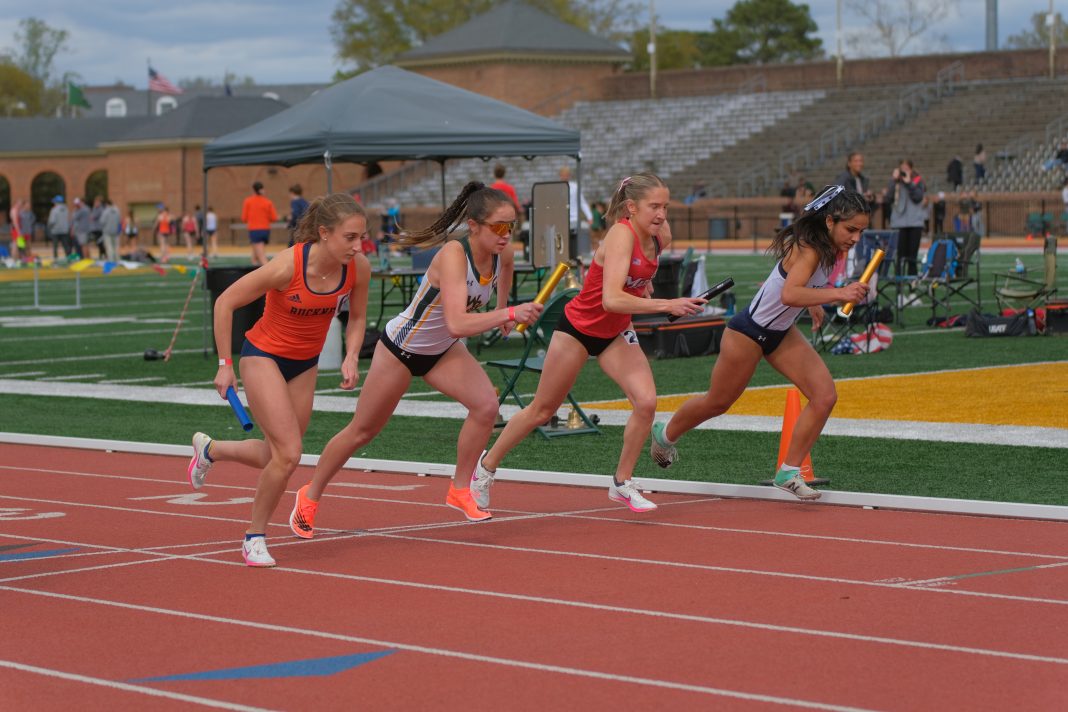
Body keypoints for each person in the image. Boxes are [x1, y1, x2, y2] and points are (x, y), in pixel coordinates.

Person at [288, 182, 544, 535]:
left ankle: (459, 489)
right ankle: (309, 495)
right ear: (473, 226)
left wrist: (501, 305)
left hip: (441, 351)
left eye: (511, 226)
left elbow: (505, 275)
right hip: (402, 350)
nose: (506, 235)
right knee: (362, 431)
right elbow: (456, 323)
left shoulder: (505, 253)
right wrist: (509, 314)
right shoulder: (454, 256)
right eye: (498, 227)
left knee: (486, 405)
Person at [470, 173, 705, 513]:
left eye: (665, 206)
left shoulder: (660, 235)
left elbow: (638, 277)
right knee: (542, 410)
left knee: (646, 401)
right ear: (631, 207)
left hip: (614, 333)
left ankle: (622, 483)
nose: (661, 214)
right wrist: (668, 304)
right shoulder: (621, 236)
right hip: (578, 329)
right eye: (654, 206)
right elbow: (610, 299)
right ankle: (485, 468)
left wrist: (646, 286)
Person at [185, 193, 372, 567]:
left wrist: (352, 355)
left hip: (305, 364)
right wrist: (225, 364)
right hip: (263, 356)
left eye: (361, 237)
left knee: (276, 455)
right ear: (324, 233)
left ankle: (211, 450)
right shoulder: (287, 266)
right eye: (350, 237)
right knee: (289, 454)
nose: (358, 245)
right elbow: (225, 302)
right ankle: (254, 537)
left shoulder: (357, 268)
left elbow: (356, 318)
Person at [650, 185, 871, 500]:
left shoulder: (830, 249)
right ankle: (665, 433)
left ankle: (789, 472)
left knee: (824, 396)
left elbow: (798, 286)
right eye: (851, 230)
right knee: (718, 402)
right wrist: (838, 293)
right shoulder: (810, 248)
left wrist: (815, 301)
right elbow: (789, 293)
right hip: (748, 333)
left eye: (861, 231)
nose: (856, 238)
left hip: (780, 334)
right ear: (829, 222)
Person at [887, 160, 926, 276]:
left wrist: (909, 183)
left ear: (912, 169)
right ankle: (900, 286)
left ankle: (912, 284)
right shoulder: (895, 182)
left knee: (912, 257)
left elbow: (918, 197)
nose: (904, 171)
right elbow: (888, 198)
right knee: (900, 256)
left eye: (906, 168)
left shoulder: (918, 180)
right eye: (902, 168)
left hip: (915, 223)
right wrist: (893, 181)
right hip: (899, 223)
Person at [241, 181, 278, 266]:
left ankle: (270, 273)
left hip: (254, 230)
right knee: (255, 254)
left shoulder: (248, 201)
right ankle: (254, 267)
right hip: (265, 230)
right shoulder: (268, 202)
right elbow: (274, 218)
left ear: (253, 190)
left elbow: (244, 218)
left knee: (261, 257)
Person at [559, 166, 592, 256]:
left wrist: (589, 216)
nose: (564, 177)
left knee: (575, 243)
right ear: (560, 176)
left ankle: (576, 260)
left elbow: (582, 202)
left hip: (574, 218)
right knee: (562, 243)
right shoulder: (557, 188)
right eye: (562, 175)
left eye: (566, 175)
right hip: (562, 219)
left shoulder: (575, 187)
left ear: (569, 176)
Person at [46, 195, 71, 259]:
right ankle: (68, 258)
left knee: (55, 246)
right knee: (66, 245)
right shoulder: (66, 209)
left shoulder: (54, 210)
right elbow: (69, 219)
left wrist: (49, 227)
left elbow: (52, 221)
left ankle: (55, 259)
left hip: (55, 231)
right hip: (65, 230)